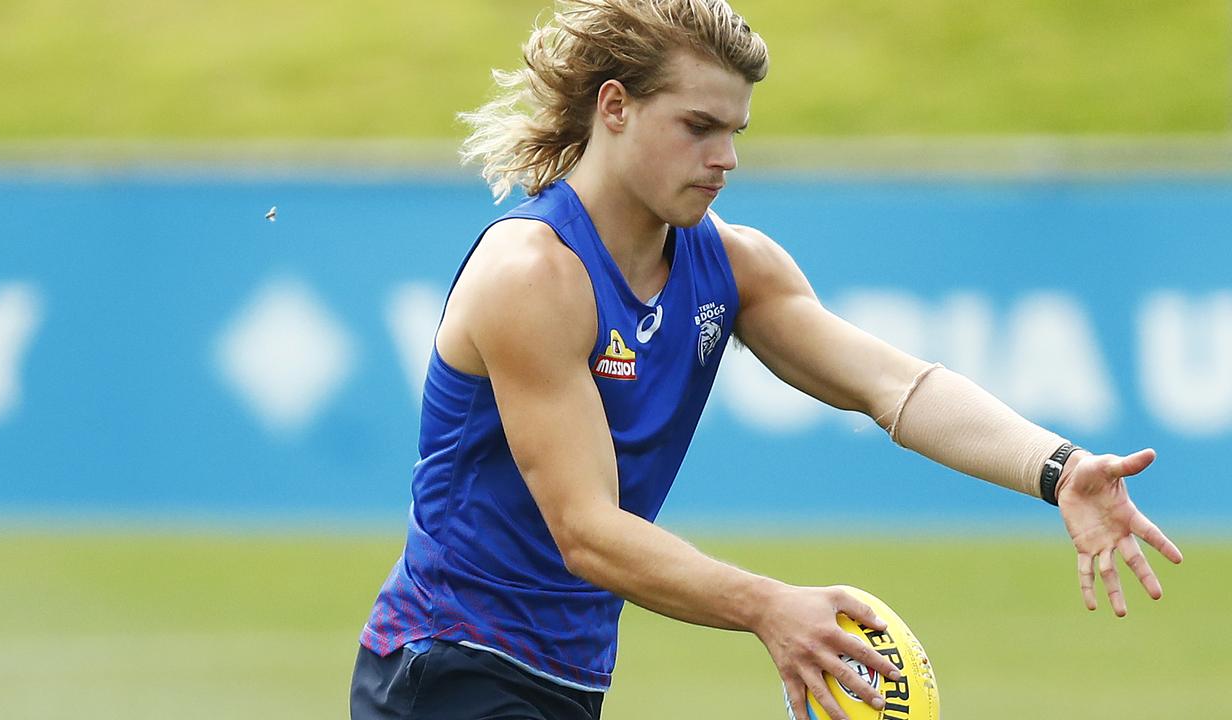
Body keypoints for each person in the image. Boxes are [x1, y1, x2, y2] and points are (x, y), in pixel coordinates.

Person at [351, 2, 1184, 719]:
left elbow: (893, 385)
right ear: (614, 107)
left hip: (561, 674)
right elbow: (588, 532)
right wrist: (770, 607)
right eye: (698, 127)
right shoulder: (533, 275)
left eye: (735, 131)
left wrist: (1058, 467)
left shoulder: (735, 266)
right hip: (447, 661)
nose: (726, 158)